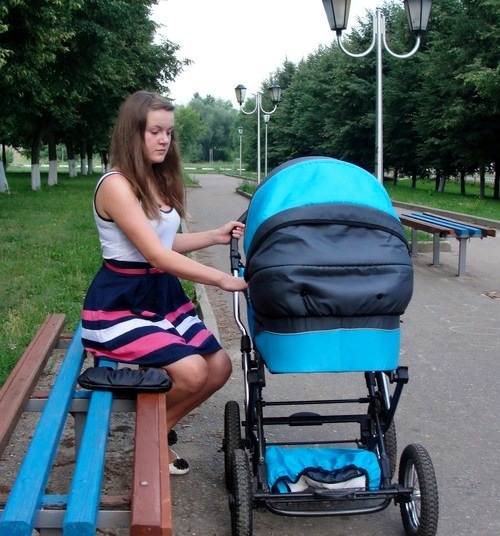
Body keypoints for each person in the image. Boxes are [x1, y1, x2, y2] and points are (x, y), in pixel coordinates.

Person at [81, 90, 247, 475]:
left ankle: (155, 431)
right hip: (119, 304)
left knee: (219, 368)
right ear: (132, 133)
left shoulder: (155, 179)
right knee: (192, 372)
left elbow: (163, 243)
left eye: (168, 132)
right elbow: (155, 255)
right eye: (154, 131)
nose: (164, 140)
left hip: (161, 297)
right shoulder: (116, 185)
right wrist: (222, 280)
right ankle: (152, 442)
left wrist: (213, 236)